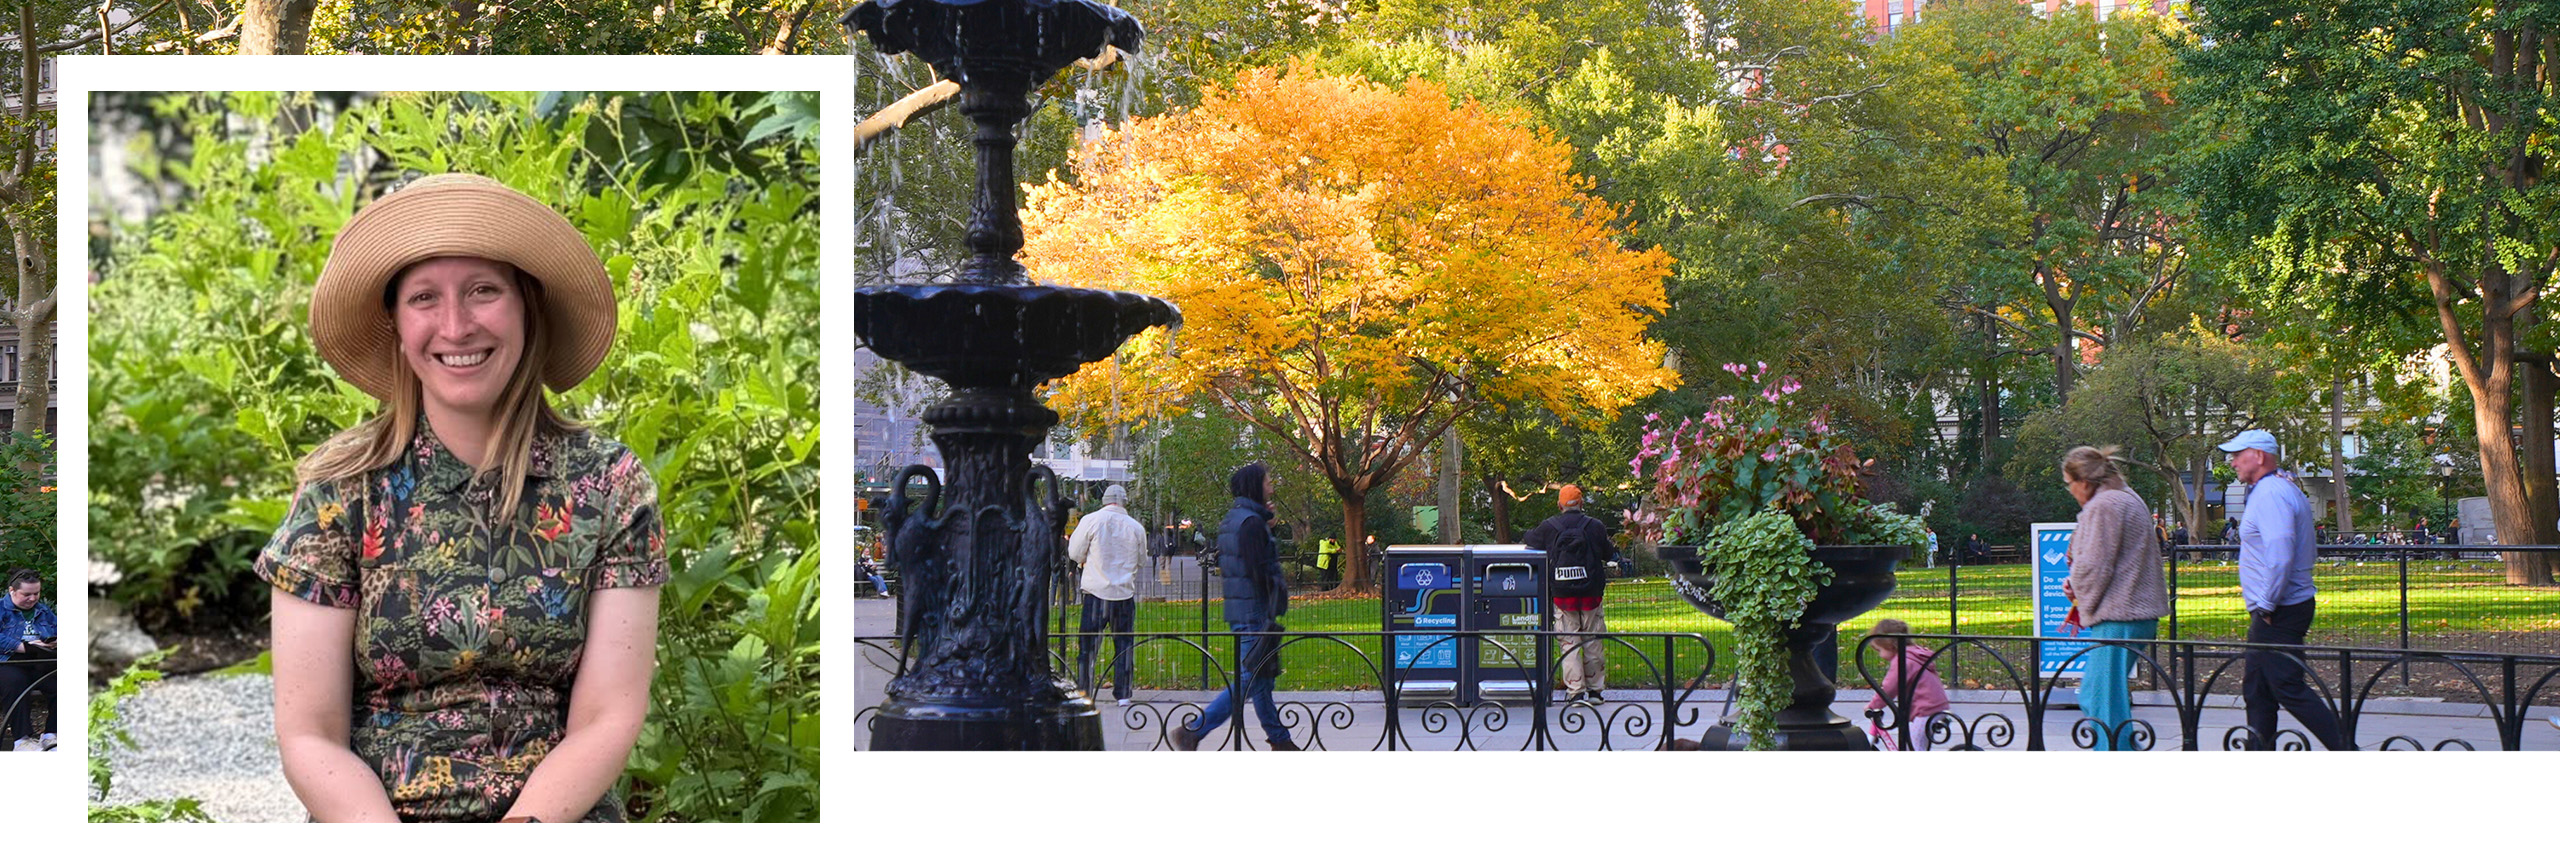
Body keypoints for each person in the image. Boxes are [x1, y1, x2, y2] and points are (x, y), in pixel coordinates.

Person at [257, 174, 667, 820]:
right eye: (424, 297)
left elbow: (607, 716)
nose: (455, 324)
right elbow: (309, 734)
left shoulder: (612, 488)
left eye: (483, 290)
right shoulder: (339, 494)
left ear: (527, 306)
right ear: (395, 323)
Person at [2218, 429, 2349, 751]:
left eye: (2237, 454)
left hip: (2279, 609)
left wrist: (2266, 604)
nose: (2232, 461)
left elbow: (2280, 551)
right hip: (2280, 606)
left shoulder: (2271, 493)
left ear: (2259, 456)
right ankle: (2258, 750)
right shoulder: (2275, 488)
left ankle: (2347, 750)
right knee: (2257, 689)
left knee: (2287, 686)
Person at [1173, 463, 1298, 750]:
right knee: (1252, 677)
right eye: (1268, 482)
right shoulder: (1251, 523)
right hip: (1254, 611)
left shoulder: (1237, 519)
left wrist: (1267, 527)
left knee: (1261, 676)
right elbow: (1259, 569)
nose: (1272, 487)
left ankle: (1280, 740)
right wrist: (1278, 591)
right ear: (1256, 486)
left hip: (1242, 609)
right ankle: (1193, 730)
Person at [2060, 446, 2171, 751]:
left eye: (2069, 483)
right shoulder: (2126, 496)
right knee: (2102, 696)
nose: (2070, 491)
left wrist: (2075, 589)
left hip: (2120, 614)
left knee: (2101, 699)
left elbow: (2094, 564)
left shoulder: (2104, 505)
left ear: (2083, 481)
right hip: (2134, 613)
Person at [1523, 484, 1621, 704]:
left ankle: (1575, 691)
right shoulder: (1595, 526)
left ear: (1559, 505)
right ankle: (1595, 691)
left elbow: (1530, 539)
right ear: (1582, 503)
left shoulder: (1549, 527)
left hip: (1563, 596)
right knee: (1593, 641)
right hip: (1591, 595)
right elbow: (1608, 552)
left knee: (1569, 642)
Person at [1068, 484, 1148, 706]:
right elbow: (1142, 560)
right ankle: (1123, 694)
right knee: (1124, 645)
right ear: (1124, 501)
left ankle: (1085, 691)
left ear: (1104, 500)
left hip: (1096, 592)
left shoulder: (1091, 521)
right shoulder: (1135, 527)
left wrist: (1087, 560)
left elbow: (1074, 552)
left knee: (1088, 646)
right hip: (1123, 594)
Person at [1860, 619, 1948, 750]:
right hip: (1937, 706)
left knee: (1914, 747)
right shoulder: (1914, 655)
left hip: (1925, 711)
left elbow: (1889, 689)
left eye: (1879, 650)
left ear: (1890, 646)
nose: (1879, 655)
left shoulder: (1903, 661)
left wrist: (1873, 706)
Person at [0, 571, 57, 751]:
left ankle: (51, 735)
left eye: (36, 593)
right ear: (12, 591)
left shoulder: (43, 610)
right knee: (16, 683)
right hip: (8, 660)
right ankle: (22, 739)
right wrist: (24, 646)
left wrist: (54, 641)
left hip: (40, 658)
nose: (33, 598)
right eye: (27, 594)